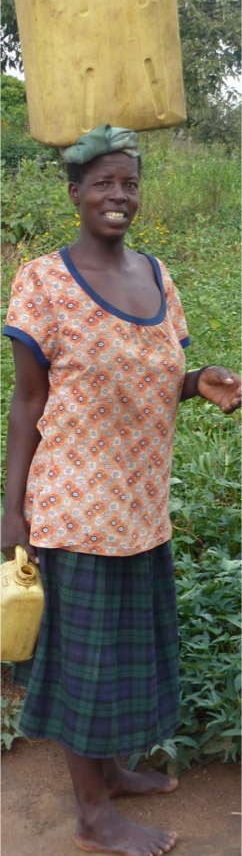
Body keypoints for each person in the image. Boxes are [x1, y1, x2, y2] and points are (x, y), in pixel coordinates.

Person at [2, 125, 241, 856]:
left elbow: (153, 379)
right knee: (84, 664)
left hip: (141, 506)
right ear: (75, 192)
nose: (118, 195)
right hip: (75, 507)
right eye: (103, 182)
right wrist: (11, 508)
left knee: (121, 651)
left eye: (129, 183)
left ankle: (110, 771)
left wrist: (197, 383)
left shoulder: (159, 277)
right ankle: (93, 815)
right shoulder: (43, 280)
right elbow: (28, 403)